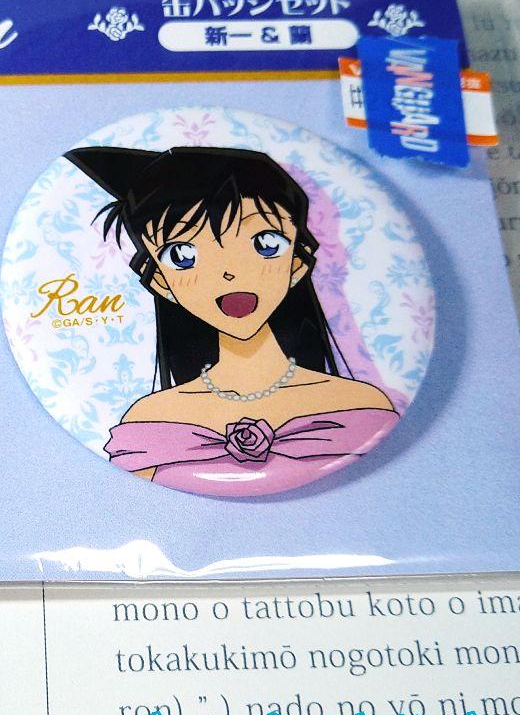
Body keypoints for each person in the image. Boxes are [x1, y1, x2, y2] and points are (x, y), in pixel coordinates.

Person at [65, 145, 398, 496]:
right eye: (183, 255)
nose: (229, 273)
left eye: (265, 243)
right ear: (161, 282)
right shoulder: (150, 419)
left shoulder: (361, 405)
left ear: (298, 263)